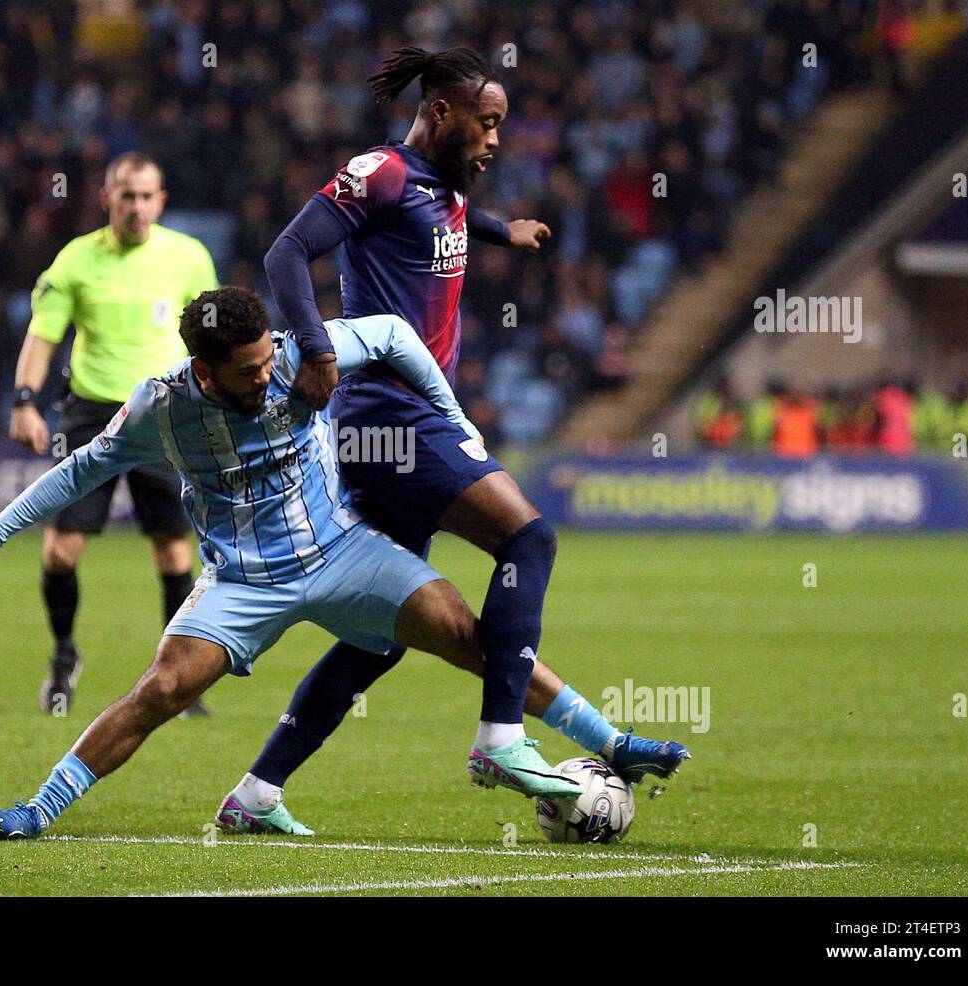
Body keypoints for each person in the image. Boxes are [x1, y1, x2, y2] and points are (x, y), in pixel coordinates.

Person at [0, 288, 598, 840]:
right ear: (203, 369)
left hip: (342, 553)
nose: (263, 375)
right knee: (161, 691)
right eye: (245, 370)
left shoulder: (289, 357)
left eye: (263, 359)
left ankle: (610, 740)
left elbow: (394, 333)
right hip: (241, 581)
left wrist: (455, 420)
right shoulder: (159, 407)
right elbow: (82, 469)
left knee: (470, 638)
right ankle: (36, 812)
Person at [232, 46, 689, 833]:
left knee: (378, 638)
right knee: (530, 538)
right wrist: (315, 349)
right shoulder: (377, 171)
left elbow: (436, 210)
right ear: (441, 112)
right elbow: (286, 253)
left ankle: (257, 793)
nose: (496, 139)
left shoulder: (441, 186)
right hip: (391, 414)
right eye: (487, 122)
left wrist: (499, 230)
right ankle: (500, 740)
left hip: (397, 421)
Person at [9, 152, 217, 715]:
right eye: (127, 195)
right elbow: (42, 336)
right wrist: (26, 401)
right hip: (93, 416)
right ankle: (63, 655)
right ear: (108, 199)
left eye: (147, 196)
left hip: (166, 414)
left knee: (174, 552)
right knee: (61, 550)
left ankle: (178, 676)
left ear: (161, 201)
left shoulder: (189, 258)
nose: (138, 206)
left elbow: (210, 338)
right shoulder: (76, 260)